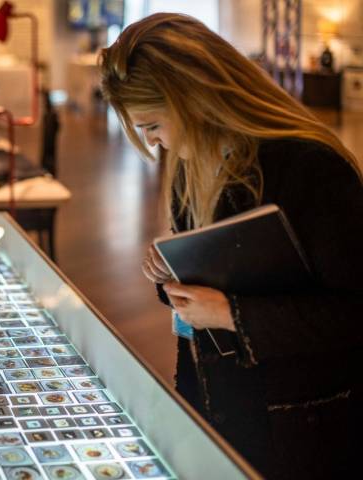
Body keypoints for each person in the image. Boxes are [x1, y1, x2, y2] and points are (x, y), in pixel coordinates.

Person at [100, 13, 363, 480]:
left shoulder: (310, 168)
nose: (156, 144)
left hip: (298, 429)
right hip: (217, 409)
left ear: (192, 99)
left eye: (153, 125)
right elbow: (211, 287)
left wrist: (230, 315)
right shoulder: (192, 166)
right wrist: (172, 274)